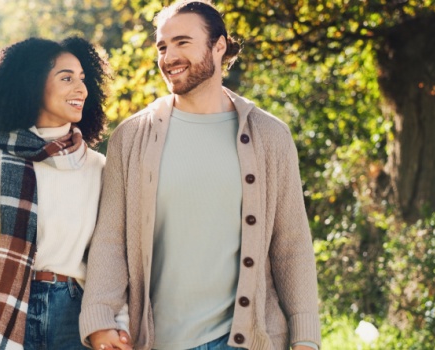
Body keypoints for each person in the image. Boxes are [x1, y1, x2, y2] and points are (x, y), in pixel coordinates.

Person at [79, 1, 321, 349]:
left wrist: (306, 338)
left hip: (244, 340)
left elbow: (291, 245)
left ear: (219, 46)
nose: (169, 56)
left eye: (182, 42)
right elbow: (111, 240)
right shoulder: (131, 138)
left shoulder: (270, 136)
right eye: (162, 47)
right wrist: (100, 319)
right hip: (155, 340)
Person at [0, 37, 130, 350]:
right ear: (33, 84)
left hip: (74, 319)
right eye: (66, 78)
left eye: (83, 79)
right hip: (2, 315)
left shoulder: (98, 168)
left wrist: (120, 324)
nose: (81, 89)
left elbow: (113, 260)